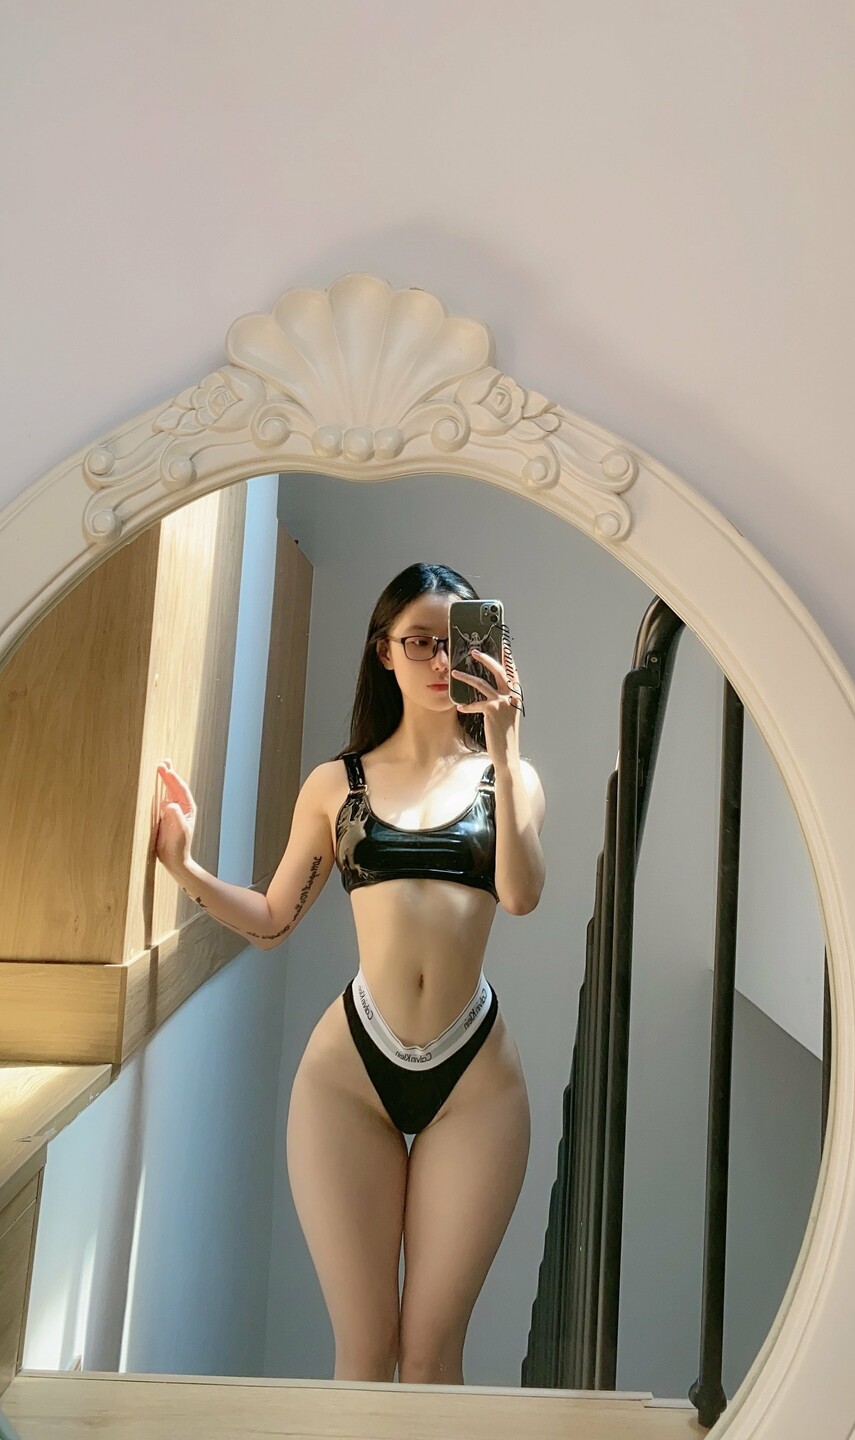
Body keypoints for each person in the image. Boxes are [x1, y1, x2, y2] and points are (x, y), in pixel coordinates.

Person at [154, 560, 545, 1387]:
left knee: (432, 1357)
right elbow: (272, 921)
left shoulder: (507, 780)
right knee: (364, 1354)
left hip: (474, 1077)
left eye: (455, 643)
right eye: (418, 642)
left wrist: (505, 746)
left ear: (486, 650)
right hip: (349, 1075)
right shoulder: (338, 784)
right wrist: (186, 869)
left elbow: (518, 895)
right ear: (383, 651)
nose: (438, 661)